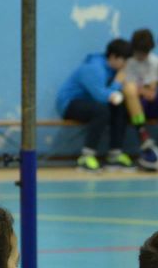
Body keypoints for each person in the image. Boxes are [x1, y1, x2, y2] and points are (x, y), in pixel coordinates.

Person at [56, 38, 134, 172]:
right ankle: (86, 157)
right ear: (113, 57)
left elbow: (111, 96)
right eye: (124, 61)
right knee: (101, 110)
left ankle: (115, 154)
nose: (125, 65)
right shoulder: (94, 68)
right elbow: (101, 96)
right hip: (69, 103)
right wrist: (117, 82)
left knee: (120, 107)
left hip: (90, 103)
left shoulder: (113, 69)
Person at [121, 28, 158, 172]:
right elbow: (126, 84)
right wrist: (143, 91)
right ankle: (142, 133)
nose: (142, 56)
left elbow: (155, 85)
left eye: (145, 53)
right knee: (129, 89)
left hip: (154, 103)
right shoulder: (127, 63)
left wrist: (152, 90)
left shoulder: (156, 62)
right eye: (139, 53)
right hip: (137, 104)